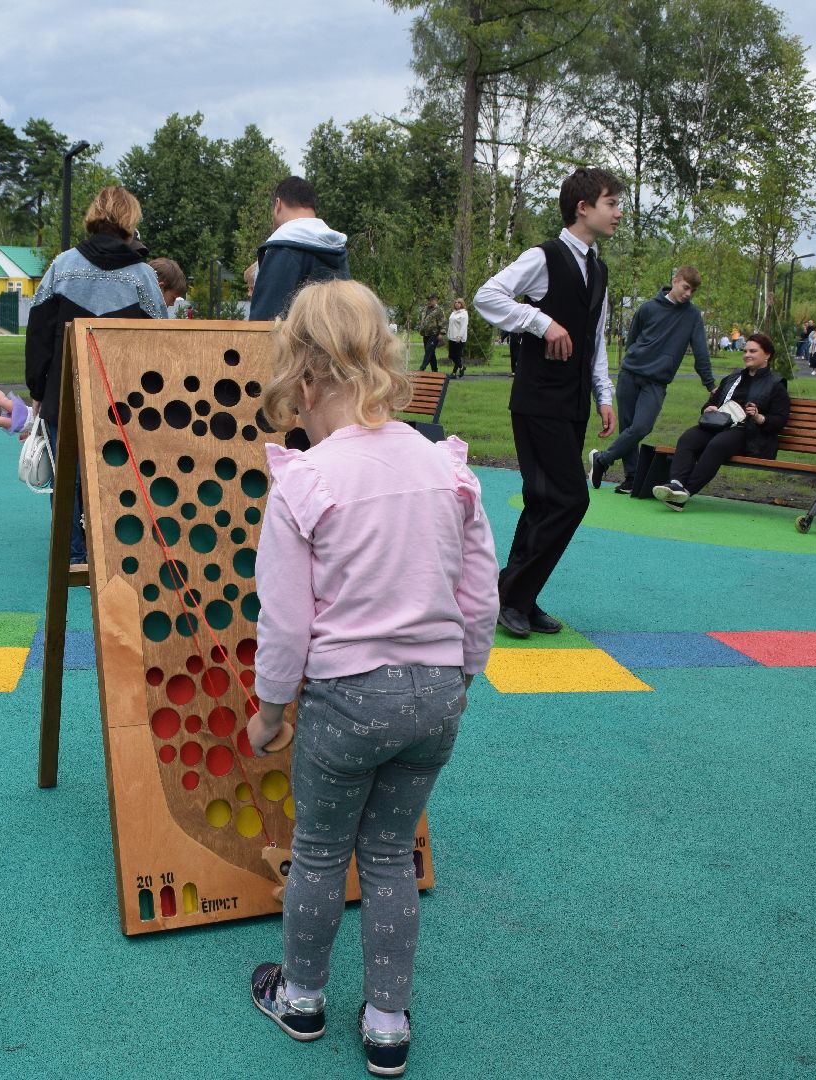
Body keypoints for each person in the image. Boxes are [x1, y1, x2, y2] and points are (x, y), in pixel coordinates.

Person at [243, 278, 497, 1077]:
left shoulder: (306, 482)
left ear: (306, 378)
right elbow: (478, 590)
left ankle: (304, 998)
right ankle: (387, 1021)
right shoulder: (444, 467)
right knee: (388, 853)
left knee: (320, 851)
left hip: (349, 698)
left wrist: (270, 708)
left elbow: (285, 620)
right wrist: (466, 672)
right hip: (437, 695)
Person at [473, 166, 622, 636]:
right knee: (568, 499)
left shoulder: (598, 269)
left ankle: (520, 596)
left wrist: (604, 394)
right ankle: (508, 592)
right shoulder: (543, 256)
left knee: (546, 501)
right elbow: (487, 295)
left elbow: (595, 339)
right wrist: (540, 321)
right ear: (583, 208)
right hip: (538, 401)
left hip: (574, 402)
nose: (619, 212)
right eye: (611, 203)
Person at [25, 185, 166, 565]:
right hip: (126, 398)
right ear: (129, 221)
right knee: (118, 471)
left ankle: (73, 556)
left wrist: (38, 391)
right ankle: (119, 552)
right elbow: (163, 343)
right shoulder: (143, 277)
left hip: (63, 392)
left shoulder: (61, 267)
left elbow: (38, 335)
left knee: (65, 475)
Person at [588, 266, 713, 494]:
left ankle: (602, 459)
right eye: (686, 287)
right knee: (627, 427)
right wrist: (635, 359)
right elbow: (633, 339)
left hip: (656, 381)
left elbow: (701, 350)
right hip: (630, 374)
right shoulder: (648, 308)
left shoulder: (692, 316)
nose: (688, 294)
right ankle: (631, 478)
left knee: (641, 427)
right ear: (675, 281)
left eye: (692, 291)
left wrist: (710, 383)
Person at [652, 332, 790, 510]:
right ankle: (675, 484)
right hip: (718, 424)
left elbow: (779, 420)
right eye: (745, 350)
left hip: (749, 433)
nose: (747, 355)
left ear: (767, 355)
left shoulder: (775, 384)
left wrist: (758, 417)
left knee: (718, 445)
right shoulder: (733, 378)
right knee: (689, 437)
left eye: (753, 351)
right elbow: (712, 401)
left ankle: (685, 492)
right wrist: (708, 409)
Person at [247, 177, 349, 321]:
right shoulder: (337, 249)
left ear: (278, 204)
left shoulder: (283, 247)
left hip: (294, 343)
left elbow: (265, 322)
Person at [416, 294, 443, 372]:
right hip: (426, 334)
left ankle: (422, 368)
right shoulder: (425, 309)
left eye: (431, 300)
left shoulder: (439, 310)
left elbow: (442, 322)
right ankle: (435, 370)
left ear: (435, 300)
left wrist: (441, 333)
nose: (429, 301)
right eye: (429, 300)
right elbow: (422, 320)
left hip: (434, 334)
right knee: (431, 352)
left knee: (428, 351)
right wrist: (421, 329)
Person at [445, 297, 468, 377]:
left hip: (459, 338)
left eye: (459, 302)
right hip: (452, 337)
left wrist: (460, 336)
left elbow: (463, 326)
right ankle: (461, 367)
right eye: (456, 302)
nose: (457, 303)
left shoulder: (464, 313)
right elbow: (451, 324)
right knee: (451, 355)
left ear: (462, 304)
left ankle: (454, 373)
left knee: (457, 356)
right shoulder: (453, 313)